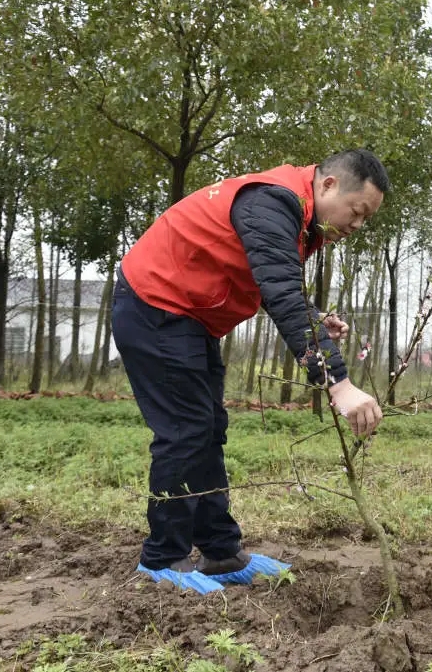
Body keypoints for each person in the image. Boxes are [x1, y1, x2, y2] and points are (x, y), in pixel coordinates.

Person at [112, 150, 387, 574]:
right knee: (186, 431)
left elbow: (273, 283)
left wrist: (314, 319)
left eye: (366, 218)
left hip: (187, 318)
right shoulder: (272, 202)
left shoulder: (294, 213)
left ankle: (221, 553)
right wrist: (339, 382)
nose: (357, 225)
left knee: (207, 429)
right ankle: (162, 561)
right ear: (329, 184)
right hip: (154, 307)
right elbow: (281, 293)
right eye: (357, 211)